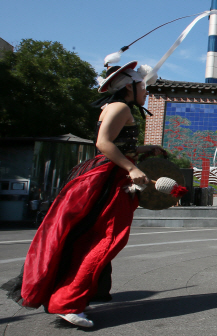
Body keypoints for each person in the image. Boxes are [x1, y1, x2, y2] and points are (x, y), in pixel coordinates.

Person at [1, 61, 164, 328]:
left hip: (108, 176)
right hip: (107, 179)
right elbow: (103, 143)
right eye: (144, 87)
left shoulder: (115, 107)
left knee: (87, 236)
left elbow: (118, 143)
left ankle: (65, 295)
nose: (146, 93)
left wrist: (146, 149)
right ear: (128, 87)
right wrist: (132, 168)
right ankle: (68, 302)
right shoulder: (120, 107)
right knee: (105, 239)